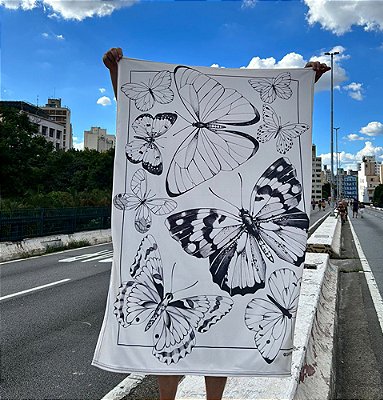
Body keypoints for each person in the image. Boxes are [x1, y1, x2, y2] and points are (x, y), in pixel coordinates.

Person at [102, 47, 330, 400]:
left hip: (213, 236)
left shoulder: (236, 153)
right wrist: (119, 74)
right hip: (181, 234)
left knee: (219, 333)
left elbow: (273, 136)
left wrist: (305, 81)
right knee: (179, 323)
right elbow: (137, 118)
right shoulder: (182, 144)